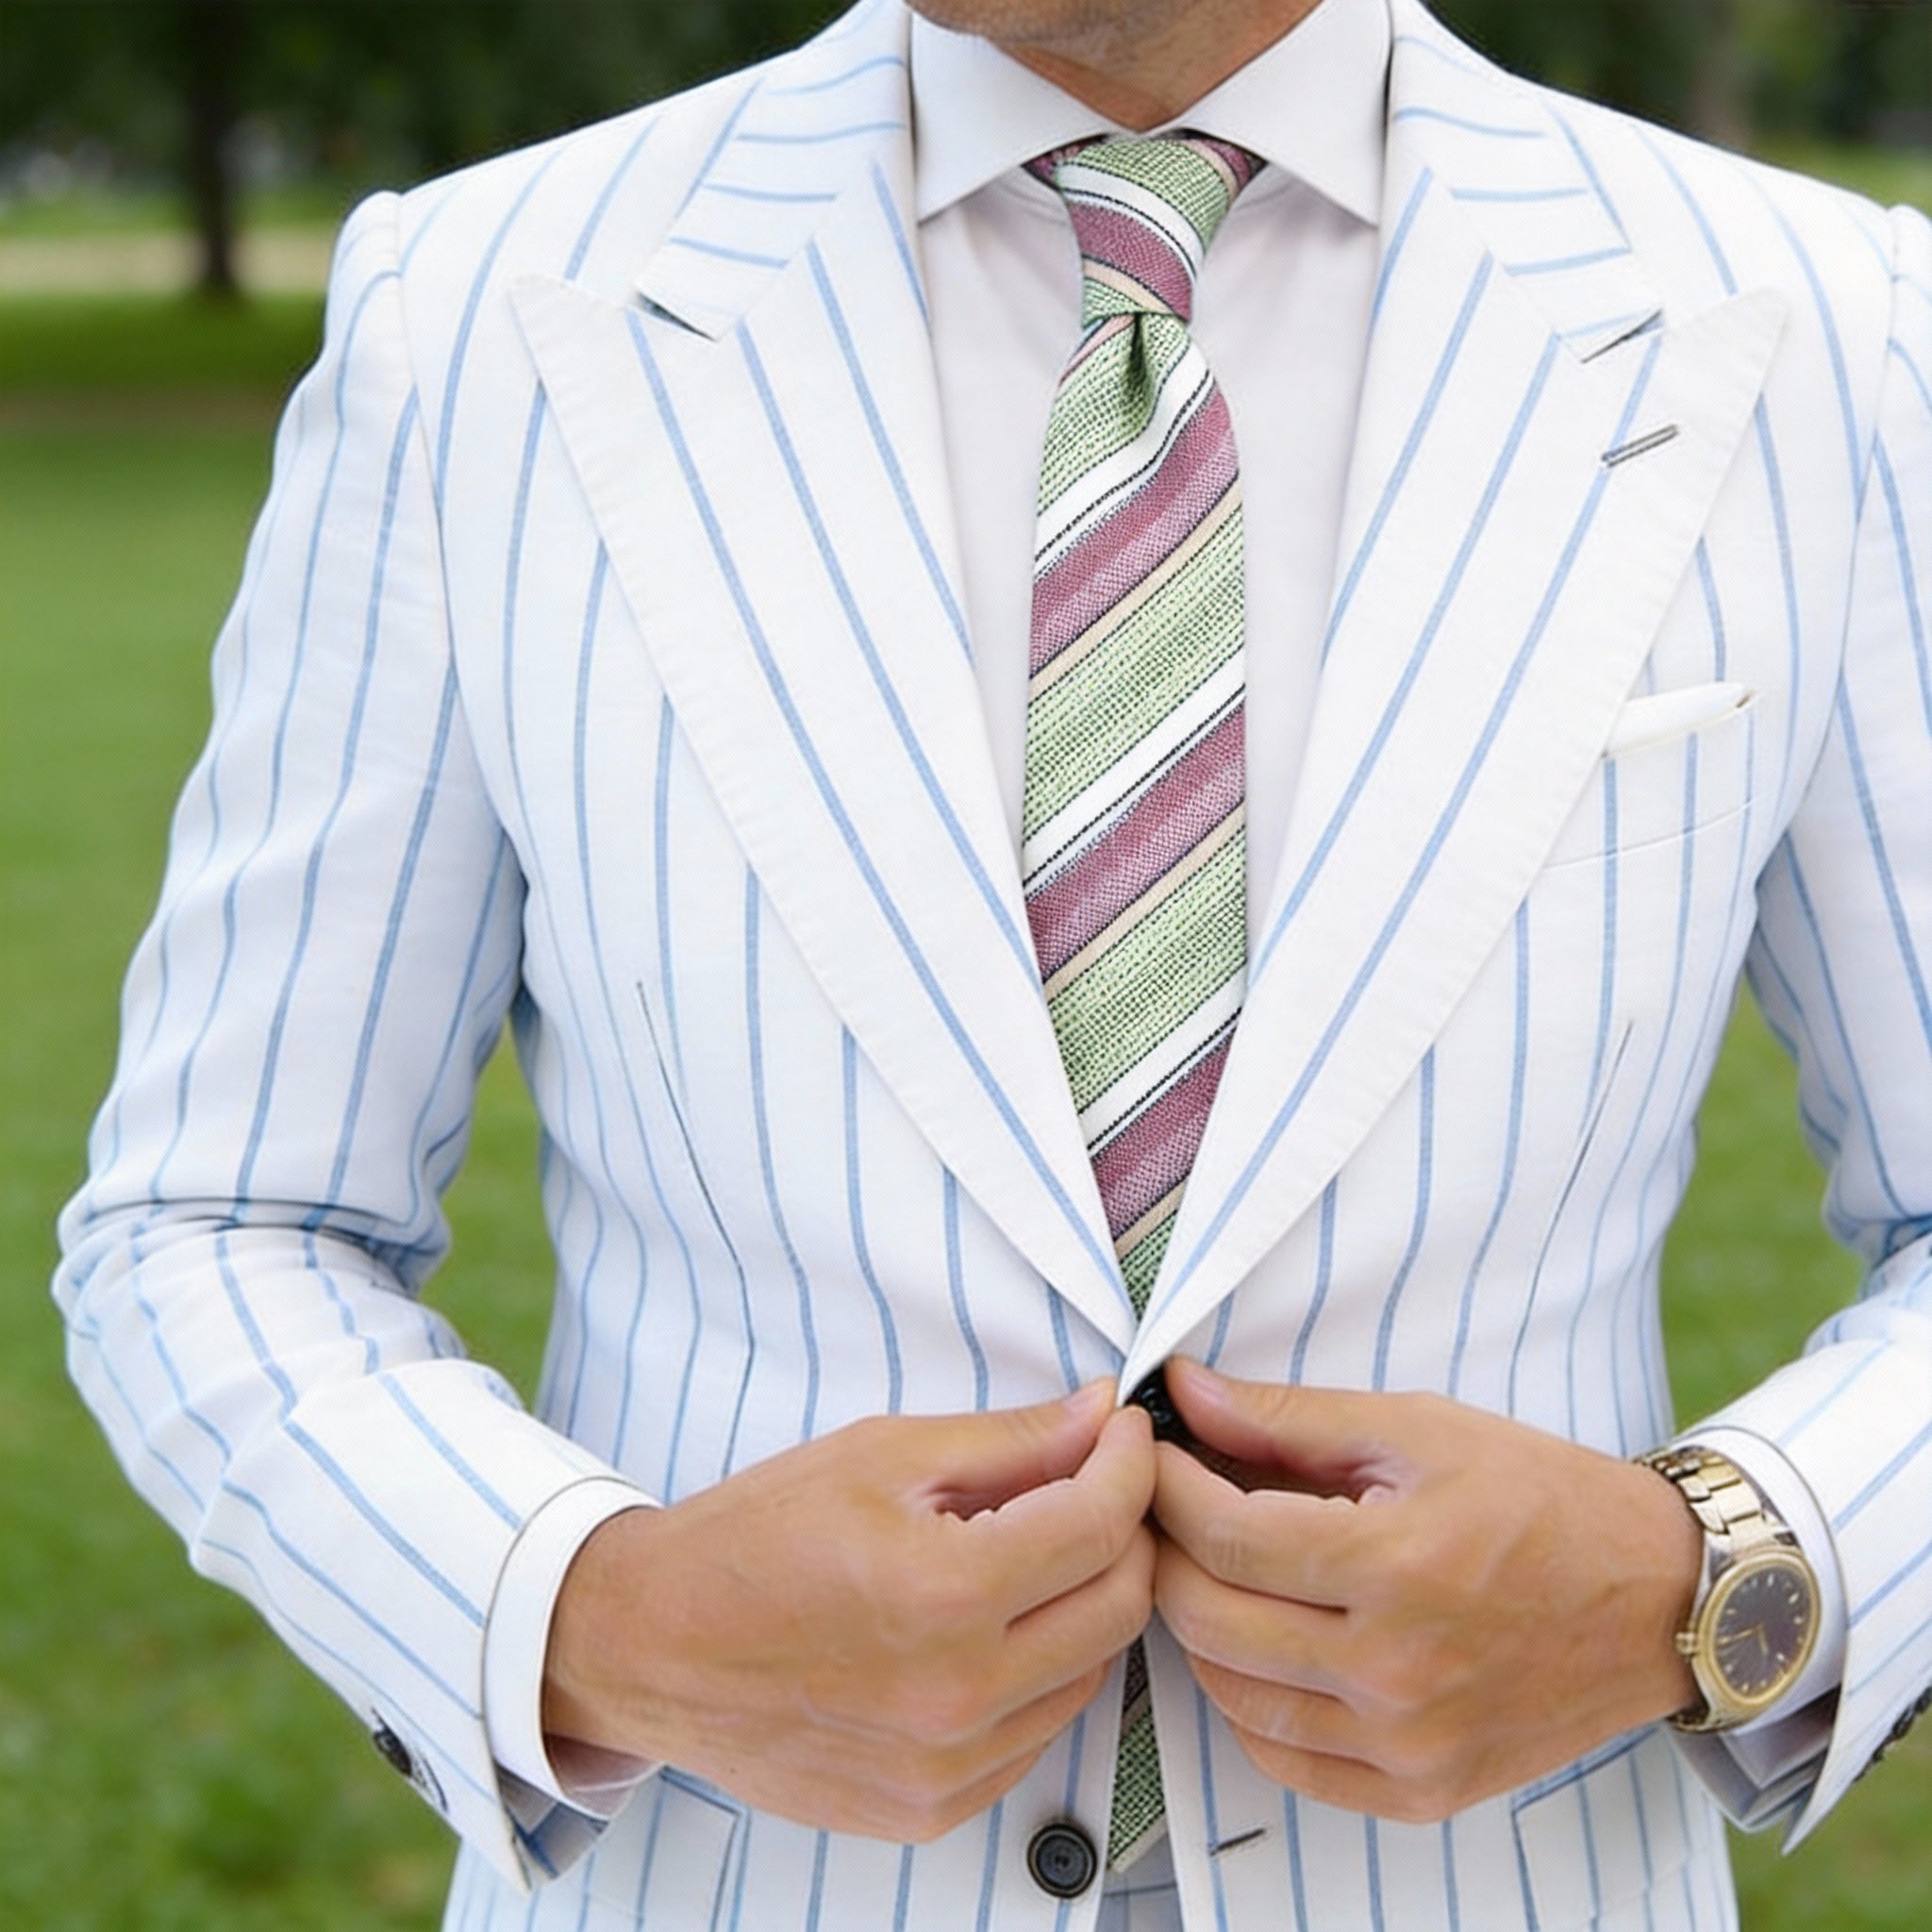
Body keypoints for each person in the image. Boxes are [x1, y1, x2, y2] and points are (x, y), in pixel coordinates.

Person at [53, 0, 1932, 1925]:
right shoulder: (475, 312)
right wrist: (604, 1621)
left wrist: (1710, 1575)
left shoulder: (1825, 327)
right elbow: (217, 1222)